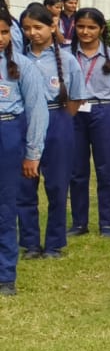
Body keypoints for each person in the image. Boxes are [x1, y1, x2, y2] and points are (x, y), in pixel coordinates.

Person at [17, 5, 87, 259]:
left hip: (58, 120)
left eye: (38, 27)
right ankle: (30, 243)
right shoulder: (17, 58)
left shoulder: (67, 60)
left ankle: (55, 243)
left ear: (52, 27)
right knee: (25, 186)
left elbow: (76, 99)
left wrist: (59, 122)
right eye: (27, 28)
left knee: (57, 185)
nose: (32, 33)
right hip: (23, 120)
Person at [0, 15, 49, 295]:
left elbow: (37, 111)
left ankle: (6, 275)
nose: (1, 37)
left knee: (5, 208)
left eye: (5, 31)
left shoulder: (22, 66)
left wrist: (33, 153)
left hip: (8, 133)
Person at [69, 9, 110, 239]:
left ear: (101, 29)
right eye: (81, 27)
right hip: (74, 111)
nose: (85, 31)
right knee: (77, 169)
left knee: (105, 168)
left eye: (91, 27)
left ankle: (107, 223)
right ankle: (80, 222)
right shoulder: (66, 55)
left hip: (103, 110)